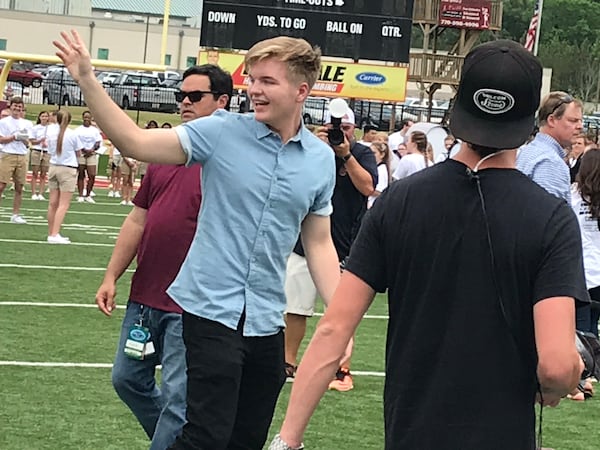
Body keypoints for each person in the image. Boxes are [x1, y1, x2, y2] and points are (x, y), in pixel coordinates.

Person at [270, 39, 586, 450]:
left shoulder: (400, 200)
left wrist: (287, 440)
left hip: (411, 432)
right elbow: (558, 366)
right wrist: (569, 374)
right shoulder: (551, 218)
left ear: (456, 111)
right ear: (530, 125)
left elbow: (333, 329)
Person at [55, 31, 341, 450]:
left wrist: (340, 315)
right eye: (252, 80)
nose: (254, 90)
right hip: (211, 309)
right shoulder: (221, 131)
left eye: (267, 81)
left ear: (302, 91)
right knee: (206, 434)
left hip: (265, 317)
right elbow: (135, 142)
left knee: (248, 437)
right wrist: (86, 78)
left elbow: (318, 243)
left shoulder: (319, 160)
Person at [95, 64, 233, 450]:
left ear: (222, 102)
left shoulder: (228, 161)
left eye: (194, 97)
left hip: (189, 302)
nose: (184, 103)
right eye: (181, 96)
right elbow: (137, 219)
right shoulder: (165, 154)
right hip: (146, 294)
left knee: (178, 396)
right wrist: (111, 276)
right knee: (127, 379)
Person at [284, 104, 377, 391]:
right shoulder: (313, 149)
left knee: (342, 311)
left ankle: (341, 367)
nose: (340, 134)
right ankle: (287, 362)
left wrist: (345, 154)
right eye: (336, 129)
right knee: (295, 307)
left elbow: (368, 187)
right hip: (305, 241)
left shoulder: (362, 153)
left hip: (345, 244)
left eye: (346, 129)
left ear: (354, 130)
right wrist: (318, 147)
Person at [517, 90, 583, 204]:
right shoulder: (549, 162)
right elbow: (549, 218)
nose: (580, 126)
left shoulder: (526, 151)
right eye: (573, 120)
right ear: (551, 120)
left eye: (581, 121)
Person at [46, 110, 82, 244]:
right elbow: (78, 153)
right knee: (63, 204)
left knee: (53, 203)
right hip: (67, 169)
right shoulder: (72, 134)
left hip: (54, 167)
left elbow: (50, 151)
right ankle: (55, 234)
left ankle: (51, 232)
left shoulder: (51, 133)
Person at [0, 97, 32, 224]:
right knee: (1, 185)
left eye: (19, 107)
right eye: (15, 106)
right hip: (8, 154)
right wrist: (14, 136)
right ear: (10, 106)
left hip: (22, 155)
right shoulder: (4, 122)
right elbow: (1, 139)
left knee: (19, 186)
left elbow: (28, 142)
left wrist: (23, 138)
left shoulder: (27, 123)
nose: (17, 109)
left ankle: (15, 214)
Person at [74, 110, 102, 203]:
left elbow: (98, 142)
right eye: (85, 117)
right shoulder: (78, 130)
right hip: (81, 154)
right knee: (81, 174)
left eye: (88, 117)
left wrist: (92, 150)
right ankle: (81, 195)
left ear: (91, 118)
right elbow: (76, 142)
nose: (86, 119)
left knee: (92, 175)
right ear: (82, 118)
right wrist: (83, 150)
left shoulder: (95, 130)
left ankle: (88, 194)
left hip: (91, 154)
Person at [30, 111, 51, 200]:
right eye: (42, 116)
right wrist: (39, 141)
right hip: (37, 151)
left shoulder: (50, 129)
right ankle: (34, 193)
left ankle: (41, 193)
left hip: (46, 152)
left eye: (46, 116)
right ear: (39, 117)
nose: (44, 118)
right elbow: (32, 141)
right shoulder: (35, 128)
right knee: (35, 173)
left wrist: (47, 143)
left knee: (43, 174)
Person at [367, 141, 390, 208]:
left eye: (374, 153)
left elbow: (379, 191)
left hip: (373, 205)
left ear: (382, 155)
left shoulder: (381, 170)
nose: (371, 155)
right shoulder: (375, 168)